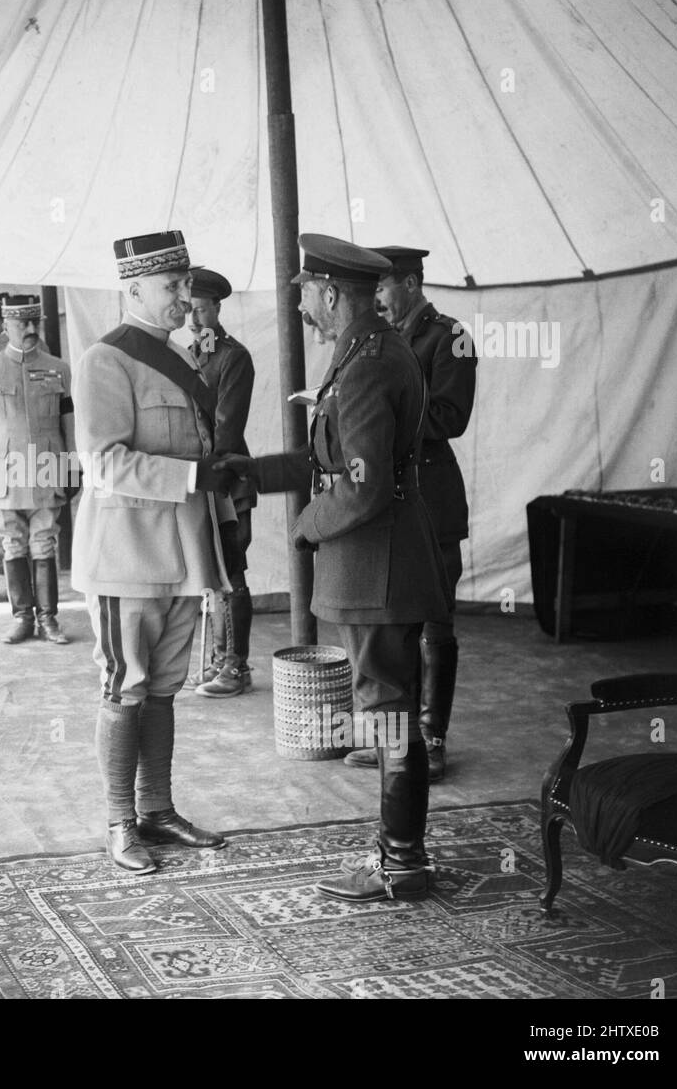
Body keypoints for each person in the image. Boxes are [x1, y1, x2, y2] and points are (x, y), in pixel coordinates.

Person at [219, 234, 448, 902]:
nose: (303, 313)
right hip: (378, 564)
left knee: (389, 712)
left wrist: (303, 526)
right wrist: (258, 472)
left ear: (327, 292)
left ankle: (401, 861)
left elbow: (367, 487)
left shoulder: (370, 365)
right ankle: (400, 853)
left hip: (376, 569)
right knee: (389, 710)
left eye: (305, 299)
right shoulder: (364, 353)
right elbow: (338, 462)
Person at [72, 229, 235, 875]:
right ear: (133, 289)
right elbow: (104, 462)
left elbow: (200, 453)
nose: (183, 297)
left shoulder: (187, 359)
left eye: (185, 285)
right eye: (171, 286)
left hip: (181, 556)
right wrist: (193, 478)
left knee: (164, 690)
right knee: (125, 686)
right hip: (125, 557)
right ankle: (119, 822)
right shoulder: (104, 362)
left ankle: (158, 810)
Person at [335, 245, 476, 782]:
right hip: (394, 502)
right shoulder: (380, 340)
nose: (377, 301)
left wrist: (383, 417)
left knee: (435, 623)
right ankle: (400, 739)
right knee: (393, 626)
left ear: (412, 283)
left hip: (433, 500)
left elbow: (451, 416)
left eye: (384, 289)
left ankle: (432, 739)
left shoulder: (450, 336)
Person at [0, 295, 77, 645]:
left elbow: (69, 422)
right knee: (12, 544)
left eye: (33, 322)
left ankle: (49, 619)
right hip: (5, 472)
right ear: (5, 326)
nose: (29, 329)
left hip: (45, 467)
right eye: (20, 323)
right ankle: (22, 617)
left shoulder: (59, 368)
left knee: (44, 543)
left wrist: (73, 466)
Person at [186, 267, 258, 698]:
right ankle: (217, 659)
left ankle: (237, 665)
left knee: (233, 570)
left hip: (227, 479)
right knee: (211, 574)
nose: (194, 320)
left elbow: (227, 431)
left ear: (216, 308)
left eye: (200, 310)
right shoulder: (185, 356)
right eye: (188, 311)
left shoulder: (234, 358)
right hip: (199, 478)